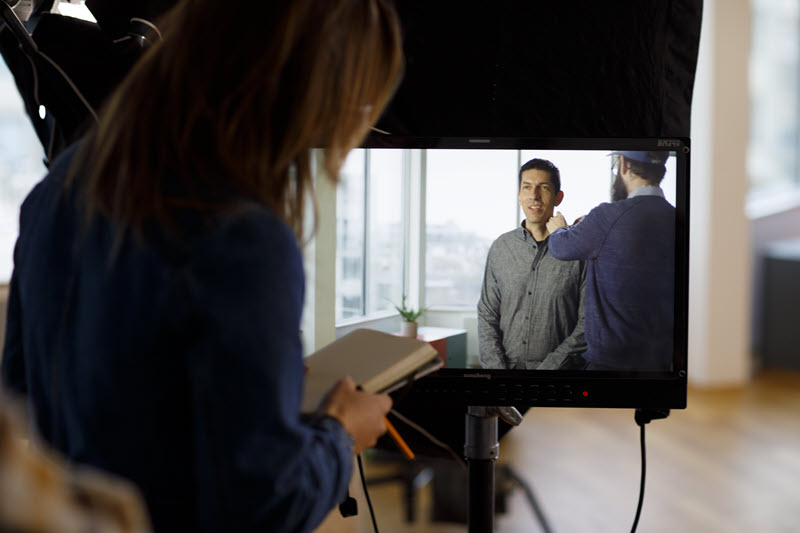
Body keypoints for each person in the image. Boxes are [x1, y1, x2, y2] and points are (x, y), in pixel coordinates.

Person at [0, 1, 404, 532]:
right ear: (309, 93)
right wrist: (341, 433)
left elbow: (22, 388)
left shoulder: (63, 186)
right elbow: (262, 507)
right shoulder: (243, 238)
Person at [546, 151, 675, 371]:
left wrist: (559, 229)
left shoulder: (608, 215)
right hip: (661, 358)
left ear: (623, 165)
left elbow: (561, 247)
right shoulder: (676, 218)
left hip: (611, 361)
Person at [478, 158, 587, 370]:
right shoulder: (501, 248)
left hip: (559, 377)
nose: (534, 196)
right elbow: (487, 314)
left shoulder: (578, 252)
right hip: (506, 374)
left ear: (558, 197)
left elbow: (587, 323)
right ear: (519, 195)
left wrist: (547, 371)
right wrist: (498, 373)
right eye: (527, 187)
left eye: (543, 188)